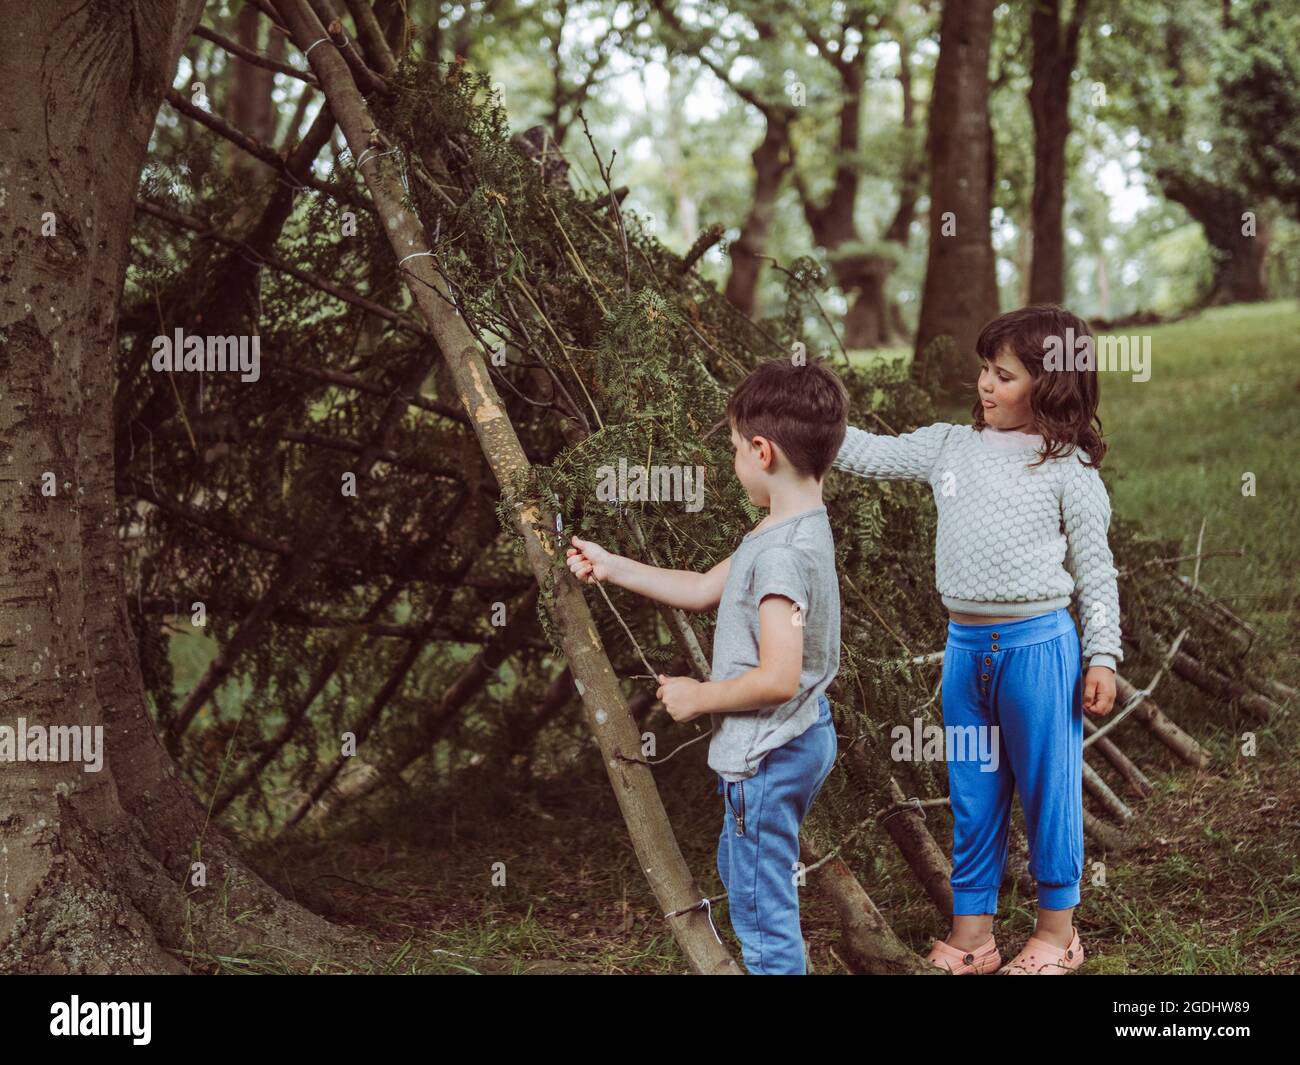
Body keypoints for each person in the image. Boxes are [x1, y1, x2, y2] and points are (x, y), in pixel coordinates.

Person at [832, 304, 1121, 975]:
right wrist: (809, 418)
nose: (986, 385)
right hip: (965, 653)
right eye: (984, 371)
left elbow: (1096, 570)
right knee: (973, 787)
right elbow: (870, 453)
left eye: (1004, 374)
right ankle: (973, 936)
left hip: (1040, 650)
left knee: (1048, 788)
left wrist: (1102, 654)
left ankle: (1057, 933)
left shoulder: (1068, 468)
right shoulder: (948, 446)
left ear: (1051, 385)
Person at [566, 358, 848, 974]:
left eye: (733, 451)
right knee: (744, 865)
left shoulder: (782, 557)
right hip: (799, 736)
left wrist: (698, 697)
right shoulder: (786, 529)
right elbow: (700, 588)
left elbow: (778, 677)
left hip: (770, 751)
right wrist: (612, 566)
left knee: (760, 909)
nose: (733, 464)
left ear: (762, 450)